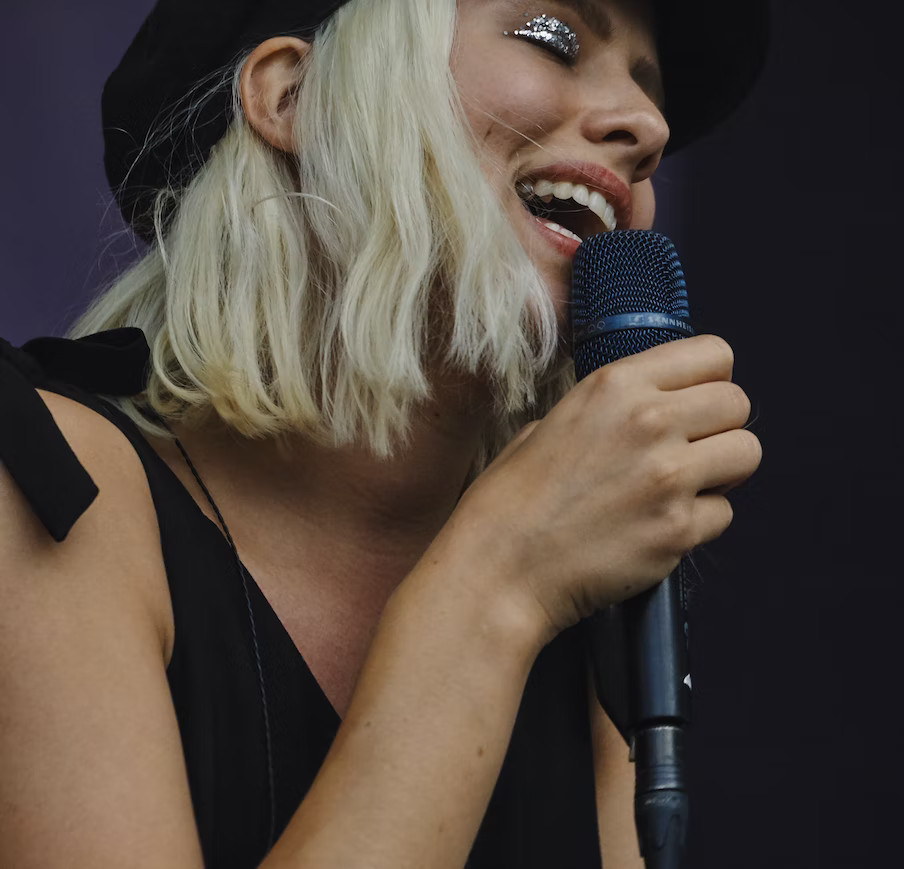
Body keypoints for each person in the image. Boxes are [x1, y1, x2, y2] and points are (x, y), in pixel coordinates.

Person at [0, 0, 768, 866]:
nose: (649, 125)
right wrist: (496, 580)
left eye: (645, 84)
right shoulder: (50, 484)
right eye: (554, 37)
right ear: (294, 98)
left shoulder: (584, 599)